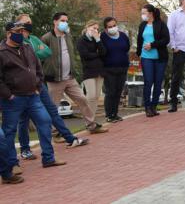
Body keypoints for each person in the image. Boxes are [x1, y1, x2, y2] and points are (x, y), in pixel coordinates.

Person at [17, 14, 88, 161]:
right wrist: (35, 51)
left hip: (38, 83)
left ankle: (70, 139)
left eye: (30, 22)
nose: (29, 24)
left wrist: (33, 51)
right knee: (23, 119)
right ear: (18, 25)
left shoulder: (34, 39)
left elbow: (47, 52)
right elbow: (24, 58)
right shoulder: (17, 41)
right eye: (25, 23)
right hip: (22, 87)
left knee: (52, 112)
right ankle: (25, 150)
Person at [0, 22, 66, 174]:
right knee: (9, 131)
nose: (22, 34)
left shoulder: (28, 47)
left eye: (23, 31)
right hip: (13, 99)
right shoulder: (2, 52)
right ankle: (12, 164)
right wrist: (8, 95)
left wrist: (37, 86)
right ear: (9, 33)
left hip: (32, 96)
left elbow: (37, 68)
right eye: (18, 31)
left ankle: (48, 158)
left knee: (45, 121)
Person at [42, 12, 108, 134]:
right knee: (53, 107)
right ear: (55, 22)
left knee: (82, 99)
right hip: (55, 79)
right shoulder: (46, 38)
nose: (65, 23)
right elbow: (40, 57)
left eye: (66, 21)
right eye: (62, 21)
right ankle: (55, 132)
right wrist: (45, 73)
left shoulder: (68, 36)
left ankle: (91, 125)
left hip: (69, 77)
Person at [136, 4, 170, 117]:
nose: (142, 15)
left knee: (158, 82)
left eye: (144, 13)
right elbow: (139, 40)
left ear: (150, 13)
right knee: (148, 82)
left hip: (160, 58)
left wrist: (152, 45)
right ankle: (147, 108)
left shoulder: (161, 24)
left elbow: (166, 39)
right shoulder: (142, 25)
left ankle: (154, 106)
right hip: (146, 58)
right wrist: (138, 53)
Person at [101, 17, 130, 122]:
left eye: (114, 25)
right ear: (106, 28)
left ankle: (115, 113)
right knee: (110, 92)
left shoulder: (123, 36)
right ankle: (109, 115)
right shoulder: (103, 36)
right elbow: (101, 51)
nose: (113, 28)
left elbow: (127, 47)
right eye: (110, 27)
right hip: (109, 69)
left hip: (122, 67)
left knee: (118, 92)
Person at [77, 20, 107, 119]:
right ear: (87, 27)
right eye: (93, 28)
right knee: (91, 96)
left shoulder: (97, 40)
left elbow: (103, 53)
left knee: (96, 97)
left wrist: (98, 40)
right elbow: (85, 55)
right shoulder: (82, 40)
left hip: (100, 71)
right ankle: (88, 119)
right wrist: (97, 54)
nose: (95, 30)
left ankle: (92, 119)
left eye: (97, 29)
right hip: (89, 72)